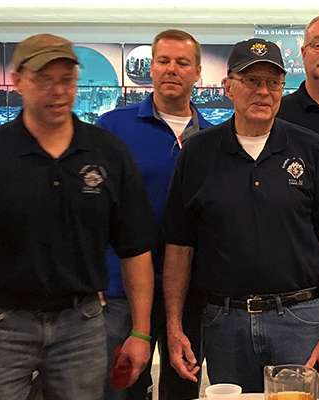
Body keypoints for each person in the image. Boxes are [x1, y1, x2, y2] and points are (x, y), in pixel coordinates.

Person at [162, 38, 319, 393]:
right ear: (229, 87)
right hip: (223, 321)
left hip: (299, 317)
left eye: (273, 82)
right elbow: (179, 246)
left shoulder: (312, 150)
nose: (263, 92)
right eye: (252, 81)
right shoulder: (198, 153)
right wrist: (174, 326)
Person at [0, 33, 156, 400]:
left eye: (66, 80)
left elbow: (135, 248)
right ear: (18, 81)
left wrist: (140, 331)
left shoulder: (108, 152)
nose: (58, 91)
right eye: (44, 80)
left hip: (82, 325)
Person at [97, 29, 212, 400]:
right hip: (121, 290)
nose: (171, 70)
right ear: (152, 68)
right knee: (121, 387)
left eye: (182, 63)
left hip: (192, 288)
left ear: (197, 72)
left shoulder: (214, 138)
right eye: (163, 61)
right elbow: (93, 210)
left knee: (182, 388)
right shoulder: (115, 127)